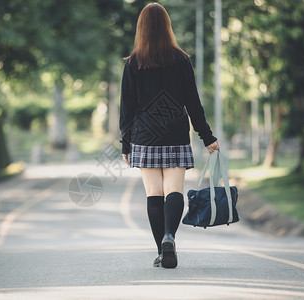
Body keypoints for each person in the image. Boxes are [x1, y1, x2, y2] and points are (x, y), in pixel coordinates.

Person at [119, 2, 220, 269]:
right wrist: (207, 136)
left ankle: (162, 250)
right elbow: (193, 103)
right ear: (167, 26)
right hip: (175, 133)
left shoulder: (133, 64)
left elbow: (126, 107)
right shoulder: (181, 60)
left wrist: (126, 144)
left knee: (154, 193)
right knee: (173, 190)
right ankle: (170, 237)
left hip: (144, 135)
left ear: (141, 28)